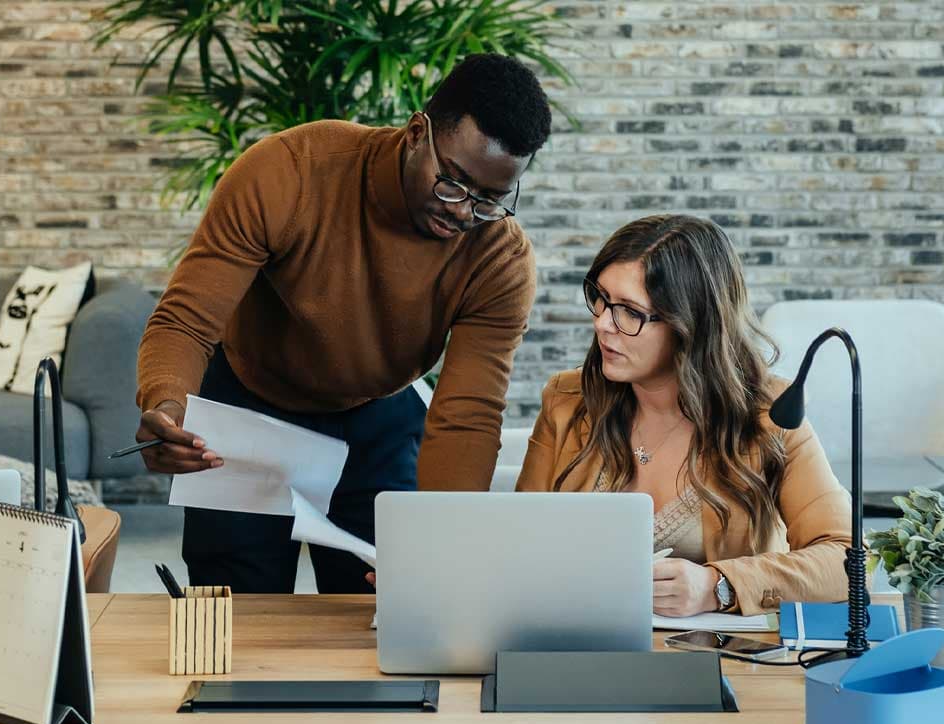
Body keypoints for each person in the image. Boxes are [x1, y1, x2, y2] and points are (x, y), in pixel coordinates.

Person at [134, 54, 552, 593]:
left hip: (376, 422)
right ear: (416, 132)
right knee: (238, 615)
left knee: (385, 606)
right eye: (453, 183)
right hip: (246, 409)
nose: (462, 212)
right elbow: (187, 320)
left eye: (490, 199)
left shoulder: (500, 259)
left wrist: (448, 538)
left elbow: (468, 413)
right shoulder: (290, 171)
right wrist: (167, 404)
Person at [516, 215, 851, 616]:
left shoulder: (768, 415)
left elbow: (846, 560)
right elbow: (521, 546)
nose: (603, 323)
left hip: (720, 661)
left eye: (630, 312)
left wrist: (718, 586)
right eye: (601, 298)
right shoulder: (567, 401)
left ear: (692, 325)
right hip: (580, 645)